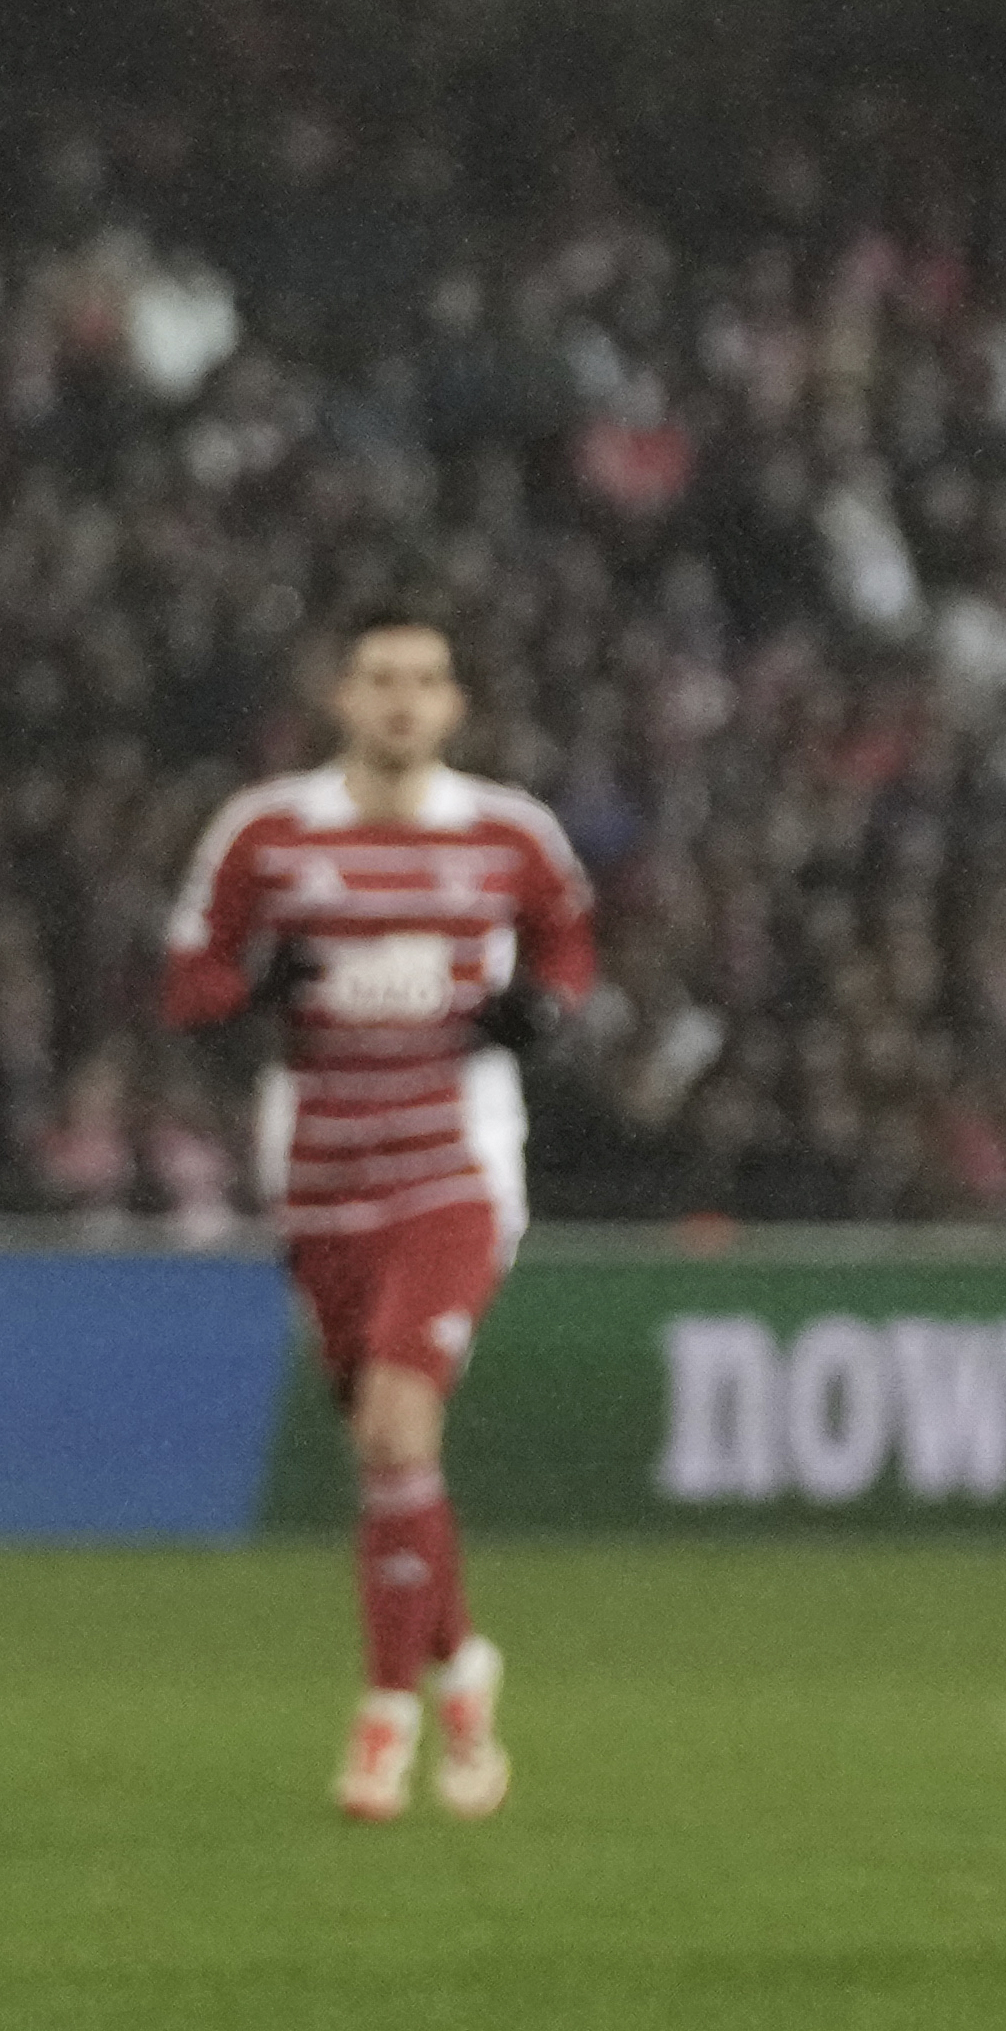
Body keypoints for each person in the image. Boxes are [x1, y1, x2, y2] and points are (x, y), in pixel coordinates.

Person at [163, 602, 594, 1822]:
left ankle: (387, 1713)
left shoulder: (509, 832)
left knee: (400, 1426)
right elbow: (188, 981)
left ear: (453, 705)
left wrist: (542, 1011)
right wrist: (253, 984)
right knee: (387, 1451)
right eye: (381, 677)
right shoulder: (266, 831)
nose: (403, 698)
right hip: (319, 1168)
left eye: (424, 678)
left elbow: (568, 944)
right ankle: (463, 1664)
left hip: (454, 1163)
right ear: (341, 697)